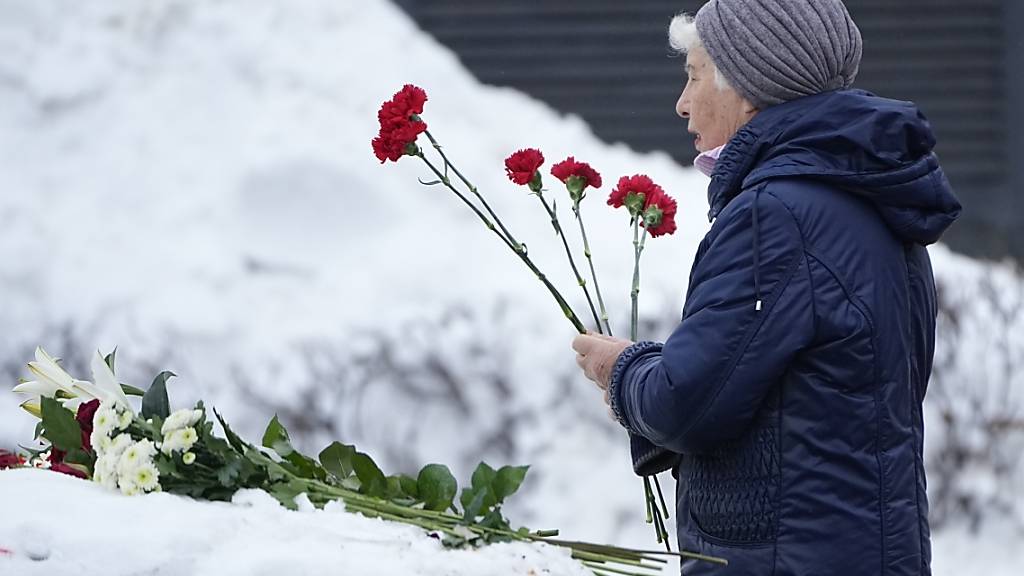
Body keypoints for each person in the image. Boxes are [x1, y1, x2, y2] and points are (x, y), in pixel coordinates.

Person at [571, 0, 962, 574]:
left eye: (694, 75)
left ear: (745, 86)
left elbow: (687, 405)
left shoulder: (775, 216)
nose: (682, 103)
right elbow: (812, 396)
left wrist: (622, 370)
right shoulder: (870, 198)